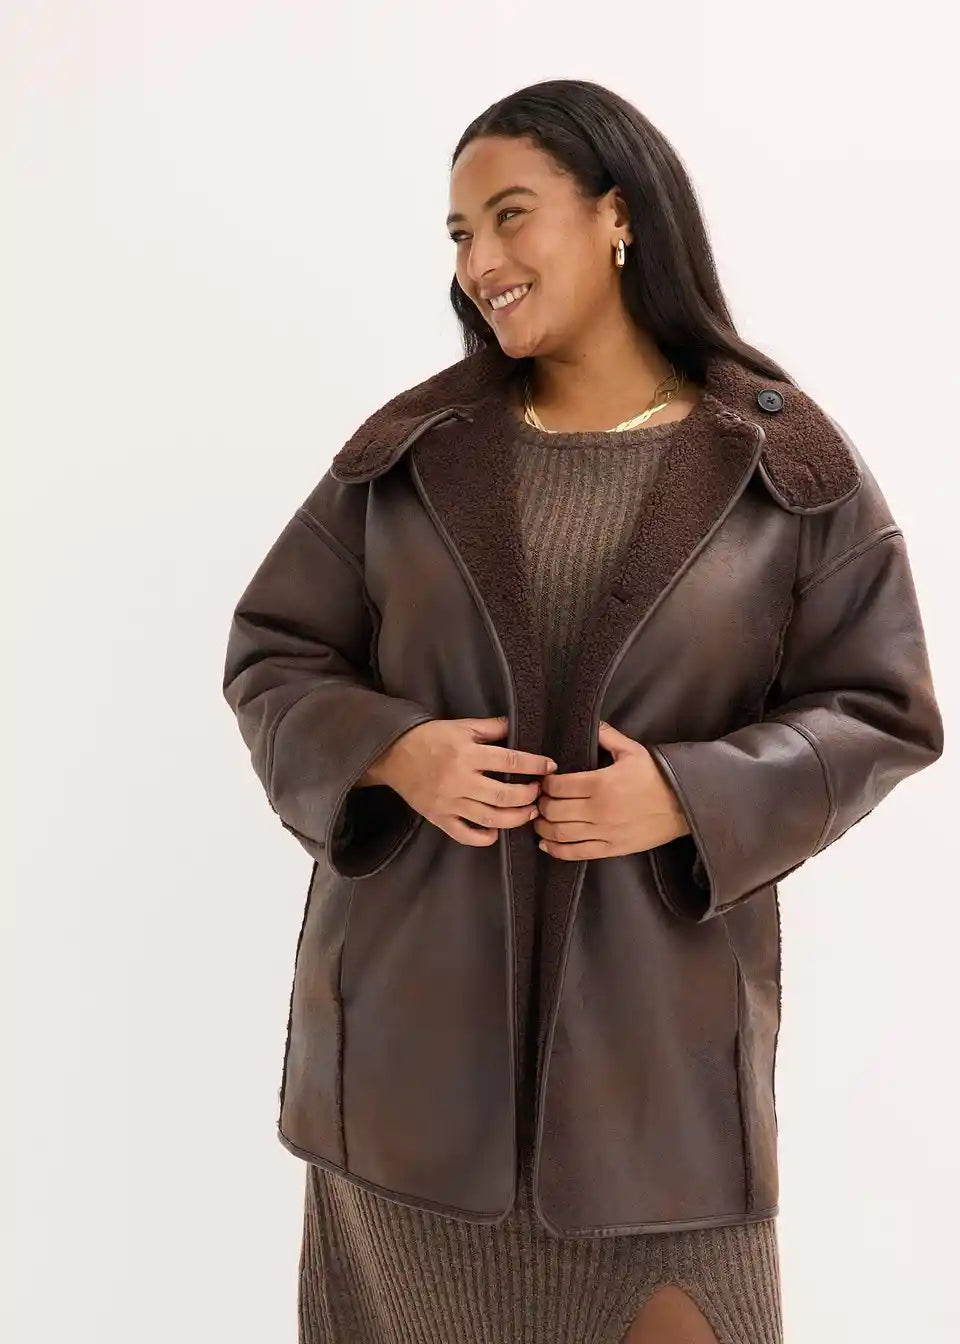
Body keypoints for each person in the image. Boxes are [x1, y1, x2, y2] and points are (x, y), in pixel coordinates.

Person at [221, 78, 944, 1344]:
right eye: (460, 233)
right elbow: (272, 652)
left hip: (657, 1096)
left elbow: (884, 708)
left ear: (619, 216)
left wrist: (690, 793)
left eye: (512, 215)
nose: (481, 261)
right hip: (405, 1084)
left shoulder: (783, 465)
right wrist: (395, 752)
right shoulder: (410, 451)